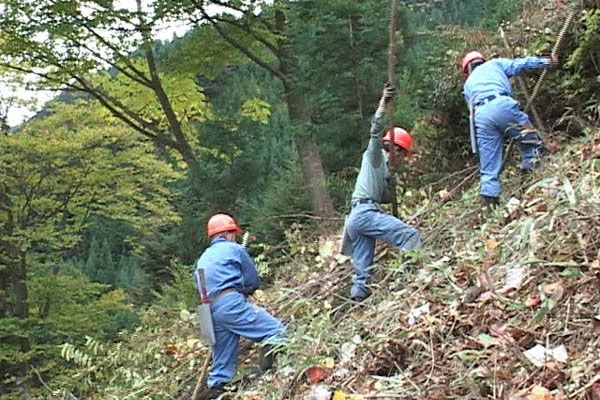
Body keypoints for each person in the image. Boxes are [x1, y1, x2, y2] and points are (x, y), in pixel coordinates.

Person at [343, 84, 422, 302]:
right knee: (410, 235)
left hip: (356, 218)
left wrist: (391, 184)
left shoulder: (385, 169)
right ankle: (409, 281)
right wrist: (383, 104)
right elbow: (375, 131)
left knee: (362, 274)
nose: (404, 159)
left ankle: (358, 300)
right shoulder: (375, 156)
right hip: (365, 212)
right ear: (396, 150)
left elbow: (385, 197)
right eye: (403, 154)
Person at [195, 213, 286, 399]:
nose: (235, 236)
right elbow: (252, 281)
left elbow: (201, 289)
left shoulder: (202, 259)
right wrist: (243, 293)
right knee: (275, 332)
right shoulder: (235, 249)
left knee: (221, 363)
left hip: (207, 311)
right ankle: (268, 374)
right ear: (228, 233)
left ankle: (217, 392)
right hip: (230, 302)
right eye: (233, 233)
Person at [461, 51, 556, 206]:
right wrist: (544, 62)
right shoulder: (494, 64)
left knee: (489, 164)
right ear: (482, 60)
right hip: (501, 103)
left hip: (481, 116)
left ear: (467, 70)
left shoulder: (468, 85)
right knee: (530, 141)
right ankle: (530, 183)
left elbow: (470, 110)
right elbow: (520, 64)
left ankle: (490, 206)